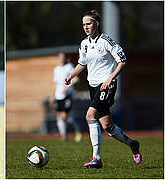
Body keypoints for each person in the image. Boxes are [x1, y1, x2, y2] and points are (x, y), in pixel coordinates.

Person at [64, 10, 142, 168]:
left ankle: (96, 158)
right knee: (107, 126)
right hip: (93, 86)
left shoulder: (106, 40)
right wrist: (70, 76)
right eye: (84, 25)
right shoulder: (84, 43)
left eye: (89, 24)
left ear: (96, 24)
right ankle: (132, 144)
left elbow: (122, 60)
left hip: (107, 85)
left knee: (89, 115)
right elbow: (82, 63)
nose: (86, 27)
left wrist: (110, 78)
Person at [50, 53, 82, 142]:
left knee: (64, 115)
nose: (61, 59)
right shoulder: (56, 69)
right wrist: (52, 96)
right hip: (58, 95)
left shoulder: (69, 66)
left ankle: (77, 130)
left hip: (67, 94)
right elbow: (56, 84)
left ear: (66, 58)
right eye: (60, 57)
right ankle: (63, 136)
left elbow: (76, 79)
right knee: (59, 116)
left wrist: (67, 88)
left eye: (63, 57)